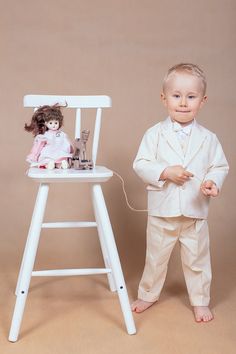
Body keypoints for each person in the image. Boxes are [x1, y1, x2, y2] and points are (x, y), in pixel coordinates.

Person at [131, 63, 229, 322]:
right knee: (155, 257)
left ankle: (200, 300)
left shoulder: (209, 138)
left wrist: (212, 182)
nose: (183, 103)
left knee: (197, 260)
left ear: (203, 101)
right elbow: (141, 163)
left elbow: (219, 165)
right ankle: (148, 293)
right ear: (164, 99)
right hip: (163, 211)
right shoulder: (154, 134)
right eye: (176, 96)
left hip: (195, 212)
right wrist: (165, 172)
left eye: (191, 96)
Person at [25, 103, 72, 169]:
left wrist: (71, 150)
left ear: (59, 122)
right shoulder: (45, 135)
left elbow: (67, 143)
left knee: (61, 158)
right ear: (46, 123)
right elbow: (38, 146)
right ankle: (50, 164)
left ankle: (61, 164)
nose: (54, 125)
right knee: (47, 159)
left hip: (59, 153)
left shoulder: (62, 134)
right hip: (49, 153)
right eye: (51, 123)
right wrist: (34, 156)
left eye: (56, 123)